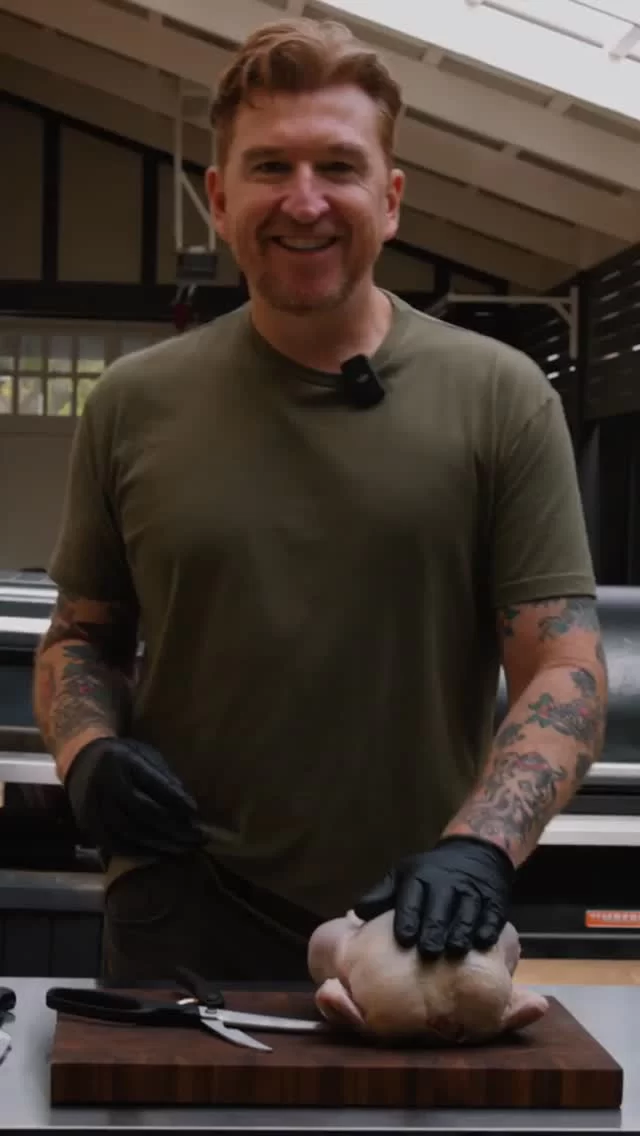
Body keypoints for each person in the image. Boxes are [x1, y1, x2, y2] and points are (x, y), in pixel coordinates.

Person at [32, 17, 607, 985]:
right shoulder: (134, 402)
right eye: (270, 167)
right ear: (221, 199)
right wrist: (87, 749)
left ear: (390, 198)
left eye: (338, 167)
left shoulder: (501, 397)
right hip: (180, 908)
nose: (304, 201)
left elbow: (563, 664)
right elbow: (80, 637)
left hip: (415, 922)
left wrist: (480, 846)